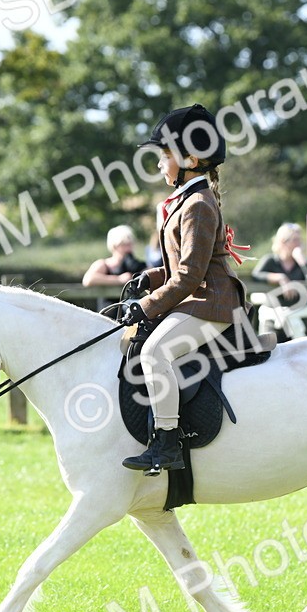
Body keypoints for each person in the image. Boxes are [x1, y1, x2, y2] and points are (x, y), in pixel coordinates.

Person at [119, 103, 249, 475]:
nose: (160, 164)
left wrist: (148, 305)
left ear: (190, 160)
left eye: (165, 156)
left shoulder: (197, 204)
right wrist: (150, 278)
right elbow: (182, 266)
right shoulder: (188, 199)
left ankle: (166, 443)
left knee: (155, 353)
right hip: (198, 298)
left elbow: (191, 275)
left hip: (211, 303)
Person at [251, 222, 307, 340]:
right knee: (270, 348)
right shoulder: (270, 260)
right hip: (274, 316)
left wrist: (302, 261)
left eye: (300, 240)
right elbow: (256, 275)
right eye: (295, 240)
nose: (299, 244)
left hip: (302, 314)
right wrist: (279, 278)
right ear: (283, 241)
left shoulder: (303, 263)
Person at [83, 225, 147, 314]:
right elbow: (88, 280)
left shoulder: (136, 265)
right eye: (124, 244)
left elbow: (153, 275)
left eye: (130, 244)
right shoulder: (104, 264)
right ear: (114, 246)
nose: (128, 248)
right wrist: (118, 279)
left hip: (131, 314)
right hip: (109, 314)